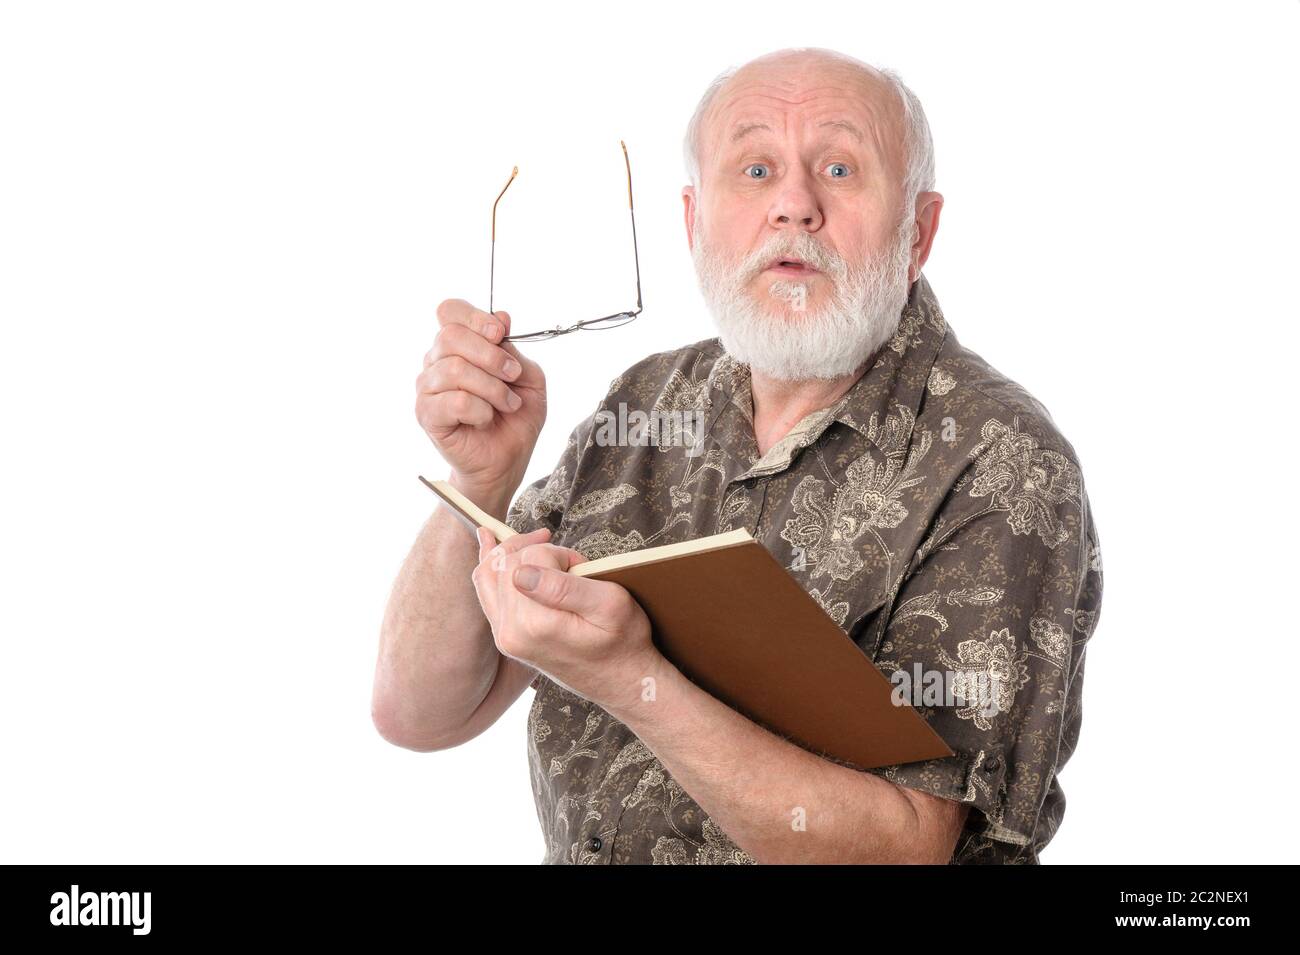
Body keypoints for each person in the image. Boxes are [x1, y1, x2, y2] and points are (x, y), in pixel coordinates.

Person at [371, 46, 1103, 864]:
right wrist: (484, 480)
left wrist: (631, 678)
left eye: (838, 167)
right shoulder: (645, 407)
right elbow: (421, 712)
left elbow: (908, 848)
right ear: (693, 222)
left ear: (918, 233)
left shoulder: (1000, 460)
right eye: (755, 170)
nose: (793, 204)